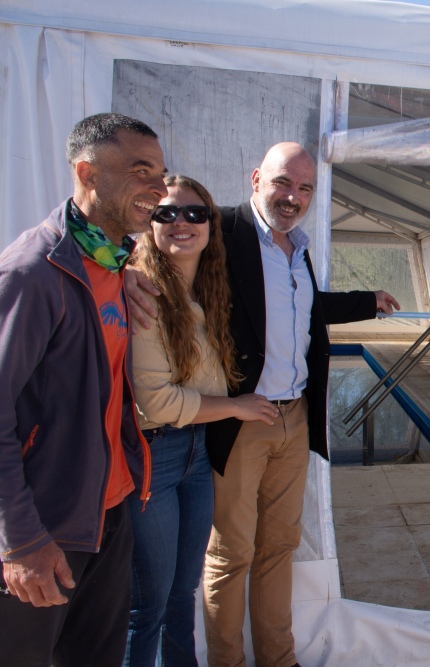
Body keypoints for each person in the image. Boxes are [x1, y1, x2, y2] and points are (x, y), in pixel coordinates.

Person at [129, 142, 399, 667]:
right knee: (230, 555)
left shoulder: (296, 247)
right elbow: (165, 255)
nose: (292, 196)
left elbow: (298, 307)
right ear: (256, 179)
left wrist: (366, 302)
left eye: (304, 188)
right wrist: (125, 277)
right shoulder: (220, 229)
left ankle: (279, 658)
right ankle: (226, 661)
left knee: (280, 548)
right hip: (240, 416)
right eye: (282, 182)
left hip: (292, 417)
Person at [0, 113, 165, 665]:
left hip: (107, 512)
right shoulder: (32, 273)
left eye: (162, 174)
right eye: (141, 171)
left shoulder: (114, 264)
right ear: (87, 173)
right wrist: (20, 540)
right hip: (44, 523)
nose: (159, 190)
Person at [126, 175, 280, 666]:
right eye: (166, 213)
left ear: (212, 225)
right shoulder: (142, 289)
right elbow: (156, 401)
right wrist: (237, 407)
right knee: (146, 604)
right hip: (156, 455)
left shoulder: (212, 287)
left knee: (181, 594)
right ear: (148, 223)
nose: (181, 223)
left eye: (195, 214)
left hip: (198, 453)